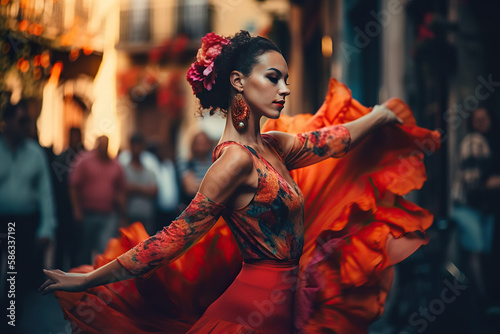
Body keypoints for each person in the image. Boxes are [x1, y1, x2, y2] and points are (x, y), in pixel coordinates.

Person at [39, 31, 439, 333]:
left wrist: (383, 115)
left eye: (286, 79)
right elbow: (171, 239)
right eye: (273, 77)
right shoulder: (232, 163)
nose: (284, 89)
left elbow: (333, 142)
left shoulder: (274, 146)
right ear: (237, 81)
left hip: (282, 306)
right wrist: (91, 278)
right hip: (248, 316)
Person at [0, 99, 57, 315]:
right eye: (21, 120)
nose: (26, 126)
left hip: (22, 223)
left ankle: (11, 318)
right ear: (7, 121)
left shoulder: (35, 154)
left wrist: (46, 228)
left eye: (28, 121)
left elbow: (45, 193)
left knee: (15, 275)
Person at [451, 106, 500, 310]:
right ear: (470, 123)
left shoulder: (490, 142)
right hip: (468, 207)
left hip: (483, 209)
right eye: (476, 119)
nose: (480, 122)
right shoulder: (473, 142)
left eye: (484, 118)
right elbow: (474, 184)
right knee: (476, 252)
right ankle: (481, 301)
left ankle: (480, 302)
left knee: (483, 253)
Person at [69, 135, 127, 265]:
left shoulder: (116, 165)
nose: (104, 148)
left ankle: (99, 280)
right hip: (87, 212)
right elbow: (73, 185)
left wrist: (123, 214)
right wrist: (76, 210)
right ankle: (82, 278)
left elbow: (121, 190)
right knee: (85, 249)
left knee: (104, 249)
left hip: (108, 214)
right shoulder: (84, 161)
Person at [122, 133, 158, 234]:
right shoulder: (124, 169)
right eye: (135, 145)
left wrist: (134, 188)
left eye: (139, 145)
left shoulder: (149, 169)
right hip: (129, 217)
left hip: (147, 217)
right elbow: (122, 191)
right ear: (130, 146)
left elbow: (155, 190)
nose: (137, 148)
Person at [178, 130, 215, 200]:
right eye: (198, 143)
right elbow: (190, 189)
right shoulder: (187, 163)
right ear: (193, 145)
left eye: (204, 143)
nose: (201, 147)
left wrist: (197, 183)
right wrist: (213, 185)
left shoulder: (214, 162)